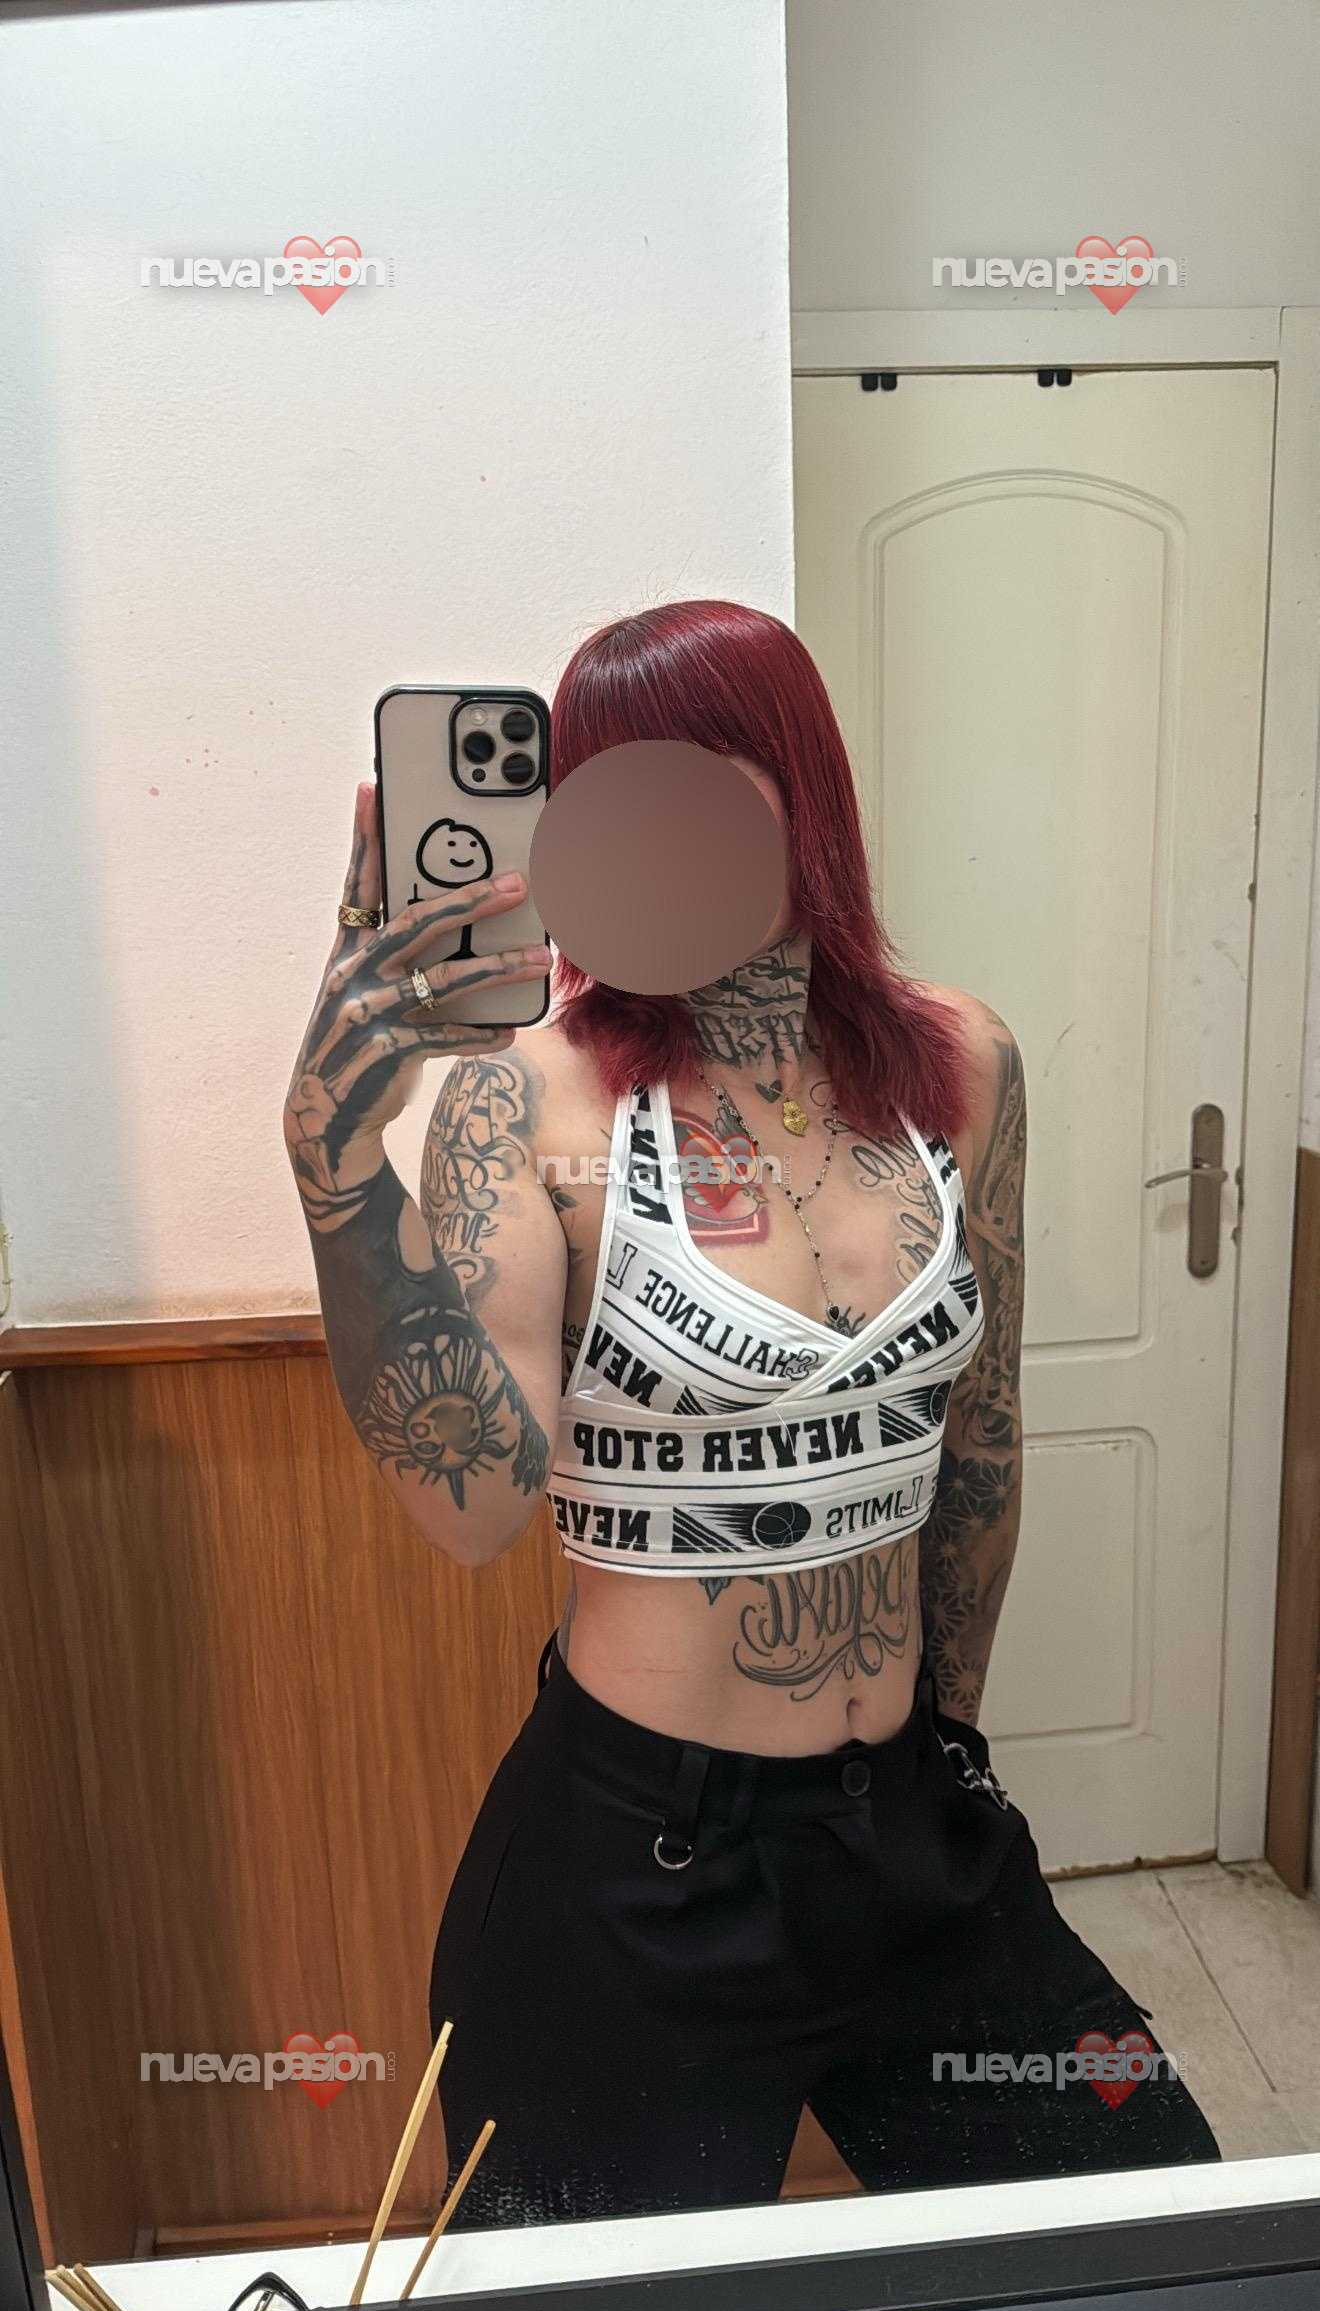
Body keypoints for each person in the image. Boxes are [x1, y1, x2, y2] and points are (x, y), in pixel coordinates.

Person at [283, 599, 1219, 2228]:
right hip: (640, 1866)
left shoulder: (965, 1066)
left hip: (909, 1827)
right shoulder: (528, 1097)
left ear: (800, 781)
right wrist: (340, 1172)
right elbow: (473, 1506)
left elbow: (982, 1438)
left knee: (1152, 2215)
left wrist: (949, 1744)